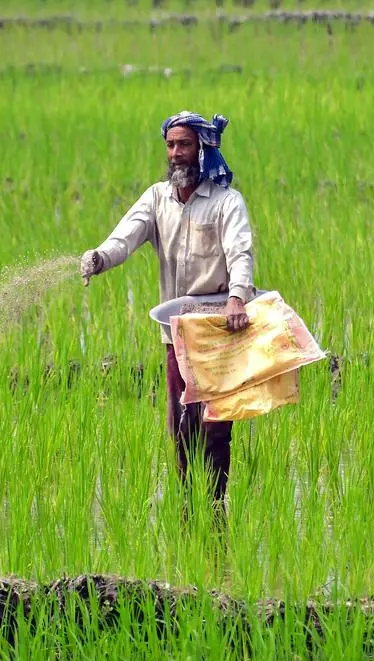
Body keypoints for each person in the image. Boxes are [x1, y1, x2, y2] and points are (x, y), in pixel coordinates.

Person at [79, 110, 256, 528]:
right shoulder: (157, 198)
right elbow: (127, 235)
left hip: (217, 331)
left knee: (214, 426)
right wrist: (100, 257)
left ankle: (214, 508)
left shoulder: (226, 202)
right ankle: (187, 510)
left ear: (202, 149)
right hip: (176, 334)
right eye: (171, 145)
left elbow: (240, 253)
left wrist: (236, 298)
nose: (176, 154)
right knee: (181, 426)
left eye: (185, 145)